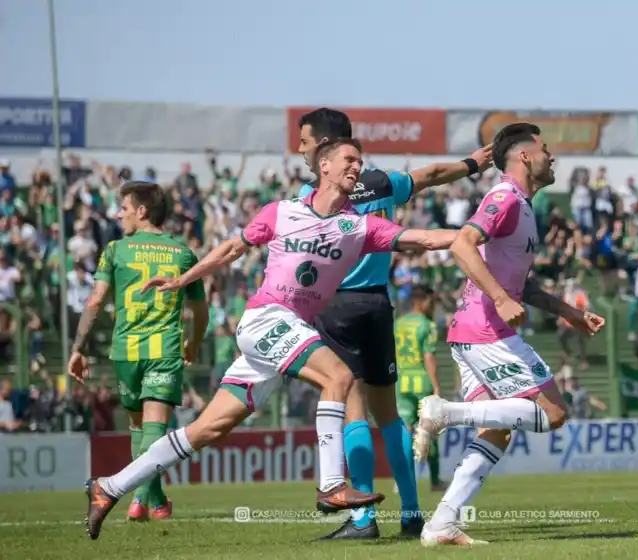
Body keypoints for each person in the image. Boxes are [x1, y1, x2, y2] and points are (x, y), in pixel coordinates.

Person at [81, 138, 459, 541]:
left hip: (286, 333)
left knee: (206, 430)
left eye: (360, 162)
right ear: (324, 166)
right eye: (349, 160)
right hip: (265, 321)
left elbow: (424, 238)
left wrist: (475, 232)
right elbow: (231, 249)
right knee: (338, 376)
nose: (356, 166)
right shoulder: (281, 212)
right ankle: (332, 485)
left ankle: (109, 487)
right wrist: (183, 279)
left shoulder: (359, 225)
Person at [295, 108, 492, 539]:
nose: (301, 148)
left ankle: (363, 519)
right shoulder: (381, 182)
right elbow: (432, 174)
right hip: (378, 304)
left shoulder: (316, 193)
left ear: (326, 146)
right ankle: (411, 512)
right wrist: (473, 164)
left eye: (306, 141)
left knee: (352, 411)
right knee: (389, 416)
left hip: (336, 307)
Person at [413, 123, 606, 546]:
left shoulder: (523, 205)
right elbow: (463, 243)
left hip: (471, 331)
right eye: (545, 150)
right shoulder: (504, 198)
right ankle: (446, 414)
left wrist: (570, 314)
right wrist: (500, 299)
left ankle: (442, 524)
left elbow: (525, 287)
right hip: (487, 331)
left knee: (496, 431)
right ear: (524, 157)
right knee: (554, 413)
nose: (552, 157)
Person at [67, 181, 209, 522]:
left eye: (124, 208)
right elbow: (201, 312)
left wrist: (78, 348)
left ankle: (152, 503)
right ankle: (143, 498)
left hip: (125, 351)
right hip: (163, 349)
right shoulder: (183, 253)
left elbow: (96, 301)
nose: (119, 214)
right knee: (154, 430)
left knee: (138, 428)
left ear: (142, 211)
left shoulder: (115, 250)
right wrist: (195, 341)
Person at [394, 285, 446, 492]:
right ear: (422, 301)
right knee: (429, 431)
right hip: (421, 380)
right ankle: (435, 481)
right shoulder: (428, 325)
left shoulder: (399, 323)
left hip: (402, 380)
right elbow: (429, 356)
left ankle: (401, 481)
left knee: (405, 432)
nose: (432, 306)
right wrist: (436, 387)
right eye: (431, 302)